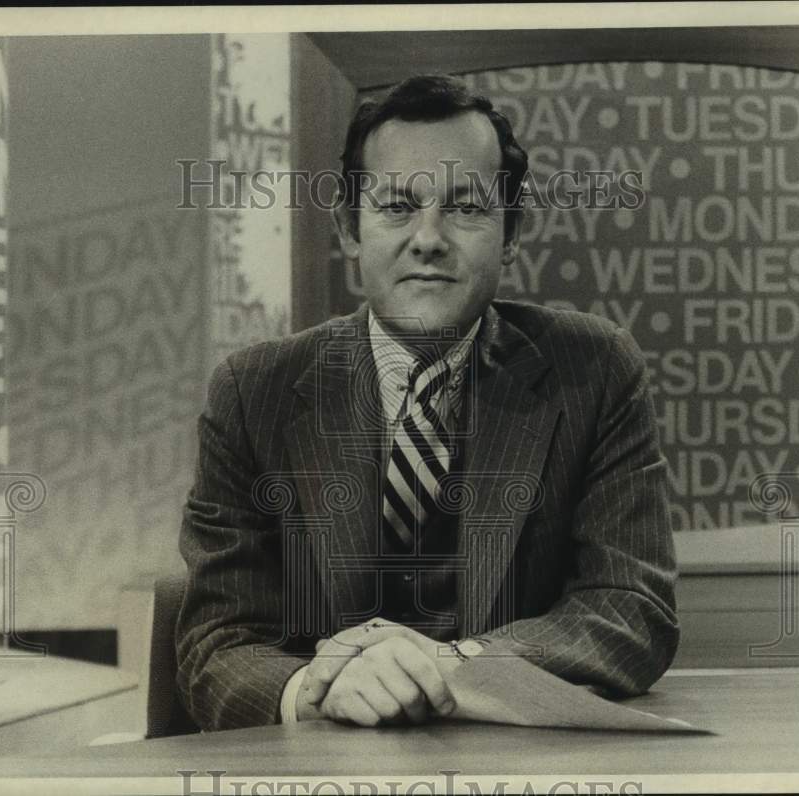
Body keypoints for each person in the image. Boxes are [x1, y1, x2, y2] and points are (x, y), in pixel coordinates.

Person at [176, 74, 679, 731]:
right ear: (349, 228)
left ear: (511, 229)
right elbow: (217, 641)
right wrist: (316, 687)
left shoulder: (594, 370)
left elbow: (631, 607)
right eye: (396, 207)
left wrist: (454, 665)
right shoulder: (252, 392)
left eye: (465, 207)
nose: (429, 237)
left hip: (524, 762)